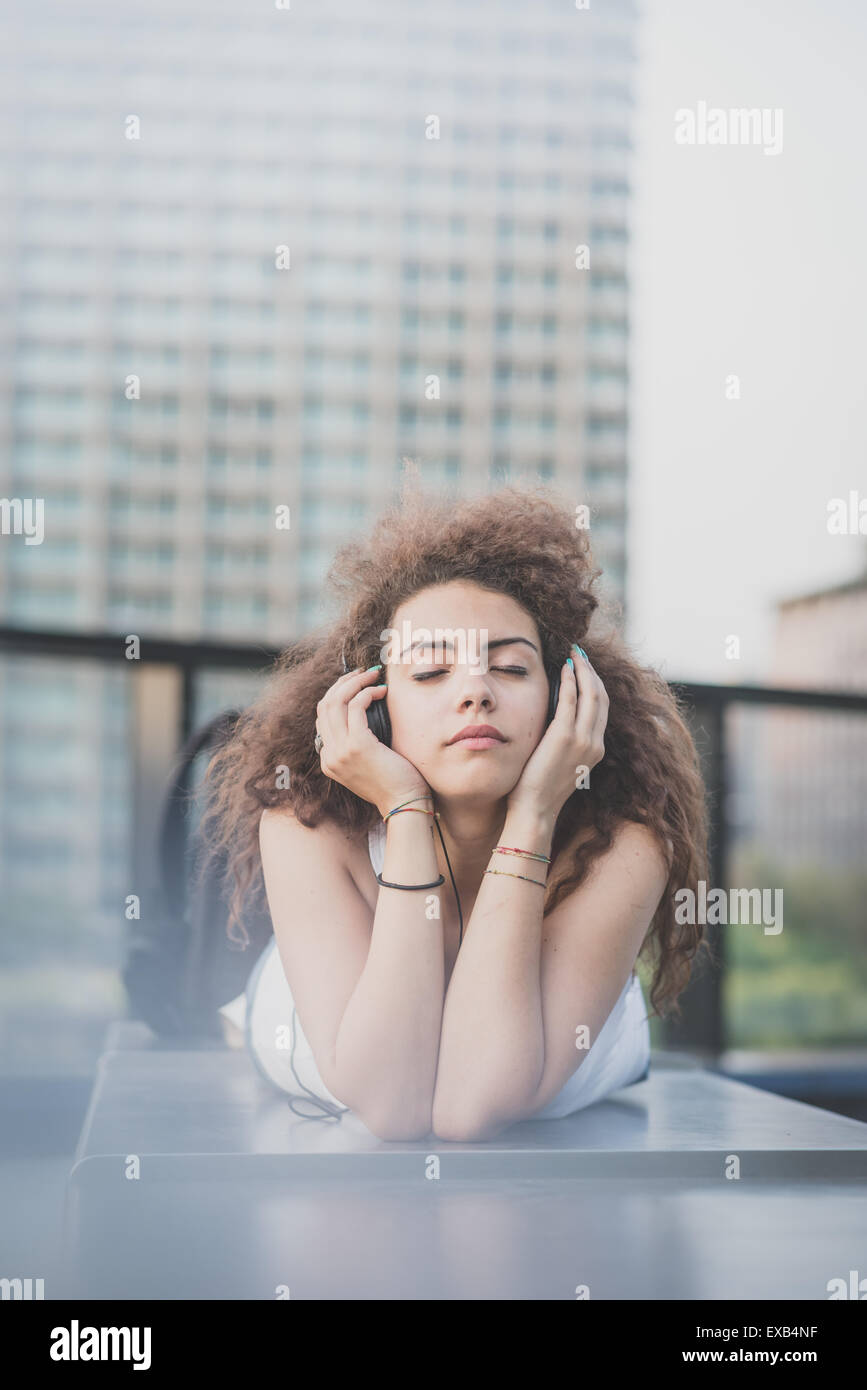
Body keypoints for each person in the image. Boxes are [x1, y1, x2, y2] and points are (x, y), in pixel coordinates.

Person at [200, 481, 710, 1141]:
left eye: (510, 668)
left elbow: (469, 1106)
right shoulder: (309, 825)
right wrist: (406, 813)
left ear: (564, 702)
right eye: (431, 673)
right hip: (315, 1022)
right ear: (376, 708)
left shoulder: (622, 847)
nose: (474, 691)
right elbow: (393, 1104)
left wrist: (532, 815)